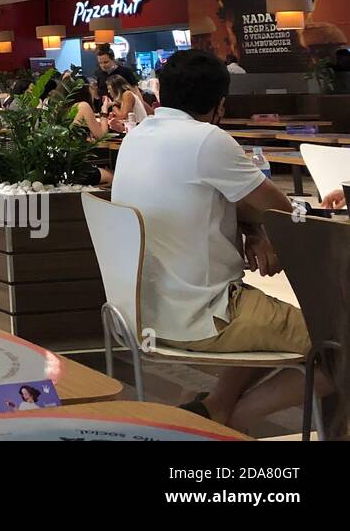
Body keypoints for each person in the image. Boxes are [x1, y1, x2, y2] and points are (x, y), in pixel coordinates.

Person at [111, 49, 331, 431]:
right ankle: (237, 420)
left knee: (259, 307)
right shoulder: (206, 140)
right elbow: (280, 212)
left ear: (160, 92)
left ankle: (217, 405)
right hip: (204, 317)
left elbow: (224, 206)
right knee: (338, 342)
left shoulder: (136, 137)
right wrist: (267, 226)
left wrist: (253, 229)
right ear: (220, 104)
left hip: (138, 311)